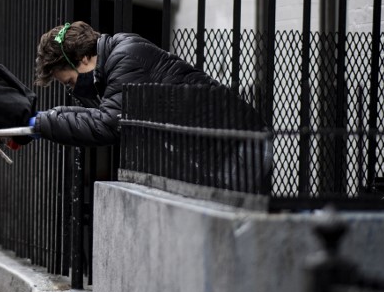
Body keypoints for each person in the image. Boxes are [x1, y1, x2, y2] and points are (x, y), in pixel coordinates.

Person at [27, 20, 270, 191]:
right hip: (222, 147)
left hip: (239, 146)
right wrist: (47, 118)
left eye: (70, 81)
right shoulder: (118, 55)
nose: (73, 90)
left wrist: (42, 122)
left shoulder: (125, 59)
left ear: (84, 58)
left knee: (230, 231)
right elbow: (107, 115)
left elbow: (108, 125)